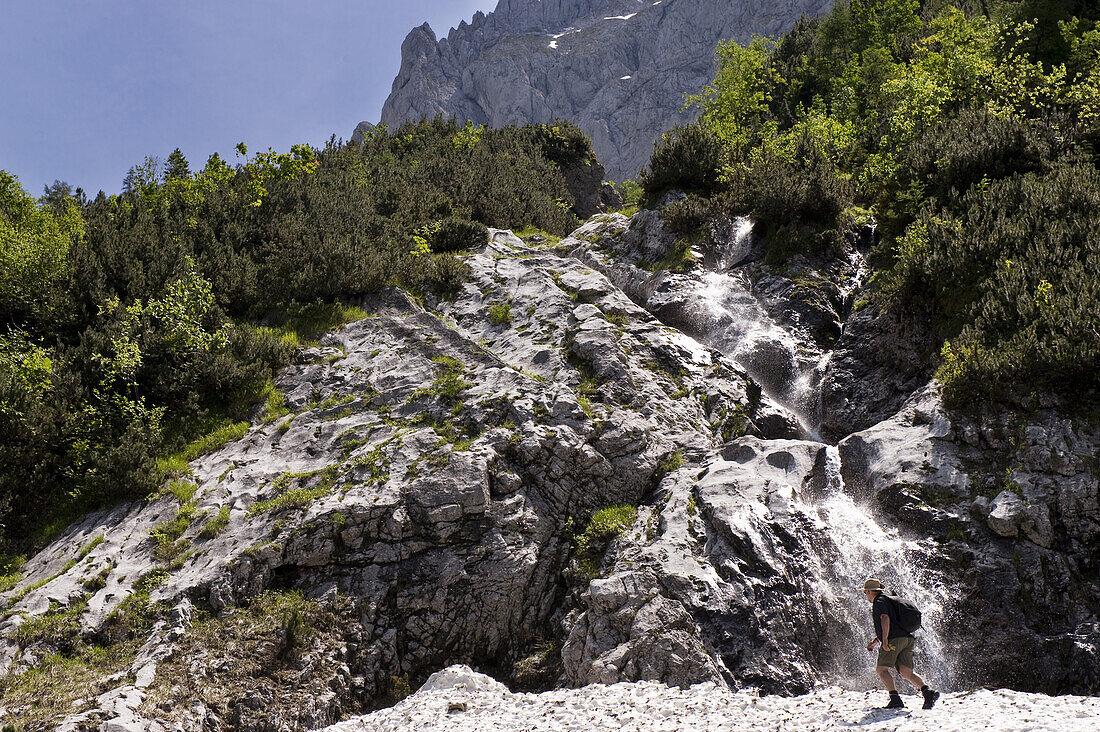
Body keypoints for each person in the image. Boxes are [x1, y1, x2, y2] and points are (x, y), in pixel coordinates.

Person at [862, 578, 940, 710]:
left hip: (893, 640)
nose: (865, 595)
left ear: (869, 591)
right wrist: (876, 641)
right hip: (907, 639)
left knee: (881, 669)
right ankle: (927, 692)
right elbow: (893, 623)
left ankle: (895, 699)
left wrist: (885, 640)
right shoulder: (889, 599)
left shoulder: (878, 601)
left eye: (865, 592)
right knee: (906, 672)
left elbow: (885, 619)